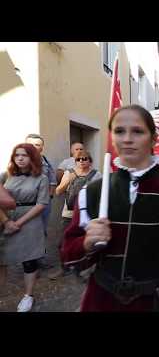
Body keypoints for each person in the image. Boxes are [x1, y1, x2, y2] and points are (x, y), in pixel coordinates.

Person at [61, 105, 159, 312]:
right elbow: (67, 255)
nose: (127, 138)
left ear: (153, 139)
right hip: (103, 300)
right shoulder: (92, 193)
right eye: (119, 131)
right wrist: (87, 243)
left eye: (137, 131)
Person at [0, 143, 50, 312]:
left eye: (25, 155)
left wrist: (18, 223)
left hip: (29, 220)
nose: (20, 158)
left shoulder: (41, 178)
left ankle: (28, 296)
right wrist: (6, 221)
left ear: (33, 158)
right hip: (5, 219)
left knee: (29, 260)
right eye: (17, 155)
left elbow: (42, 204)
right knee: (2, 259)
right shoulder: (6, 175)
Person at [48, 151, 101, 280]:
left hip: (87, 213)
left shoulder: (97, 174)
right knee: (63, 242)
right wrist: (67, 181)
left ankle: (84, 269)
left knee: (87, 242)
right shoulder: (69, 172)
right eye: (78, 159)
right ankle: (64, 268)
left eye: (85, 158)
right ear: (75, 161)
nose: (81, 161)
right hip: (69, 213)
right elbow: (58, 191)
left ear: (90, 161)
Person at [25, 134, 57, 268]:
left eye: (38, 145)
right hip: (26, 204)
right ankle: (28, 262)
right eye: (32, 144)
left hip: (43, 204)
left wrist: (48, 197)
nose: (35, 147)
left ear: (42, 147)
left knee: (41, 231)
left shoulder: (46, 162)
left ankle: (39, 259)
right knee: (26, 231)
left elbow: (53, 181)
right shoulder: (20, 161)